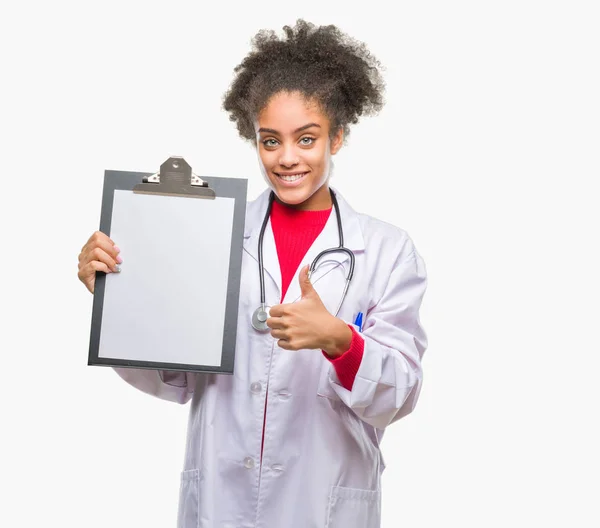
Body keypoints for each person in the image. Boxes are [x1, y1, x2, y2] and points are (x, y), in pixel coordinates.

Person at [77, 19, 428, 528]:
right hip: (223, 498)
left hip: (324, 502)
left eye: (307, 139)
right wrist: (119, 294)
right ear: (254, 139)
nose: (288, 158)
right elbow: (173, 376)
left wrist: (340, 341)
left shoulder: (386, 249)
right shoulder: (211, 231)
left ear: (339, 136)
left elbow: (400, 395)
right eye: (270, 141)